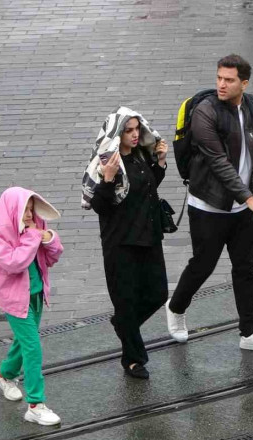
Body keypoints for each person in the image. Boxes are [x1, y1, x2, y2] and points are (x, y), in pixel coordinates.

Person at [165, 54, 253, 352]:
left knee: (244, 266)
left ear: (244, 83)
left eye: (229, 80)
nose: (221, 85)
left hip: (245, 209)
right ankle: (176, 307)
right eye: (219, 78)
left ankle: (249, 332)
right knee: (203, 264)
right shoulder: (205, 112)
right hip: (209, 206)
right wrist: (249, 198)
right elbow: (218, 163)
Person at [85, 108, 169, 379]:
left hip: (149, 236)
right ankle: (133, 359)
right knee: (126, 300)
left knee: (158, 294)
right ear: (117, 134)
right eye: (128, 130)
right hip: (121, 243)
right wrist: (107, 180)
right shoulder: (107, 162)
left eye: (136, 130)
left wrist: (160, 162)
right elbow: (99, 205)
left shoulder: (141, 155)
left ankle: (123, 324)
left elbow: (148, 186)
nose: (135, 135)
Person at [0, 187, 64, 426]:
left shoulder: (34, 230)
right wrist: (33, 237)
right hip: (15, 300)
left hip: (36, 296)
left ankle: (4, 376)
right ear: (12, 211)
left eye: (31, 209)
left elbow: (52, 257)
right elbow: (14, 263)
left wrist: (50, 239)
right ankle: (36, 405)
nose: (29, 214)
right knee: (32, 348)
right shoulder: (1, 235)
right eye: (24, 210)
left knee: (23, 341)